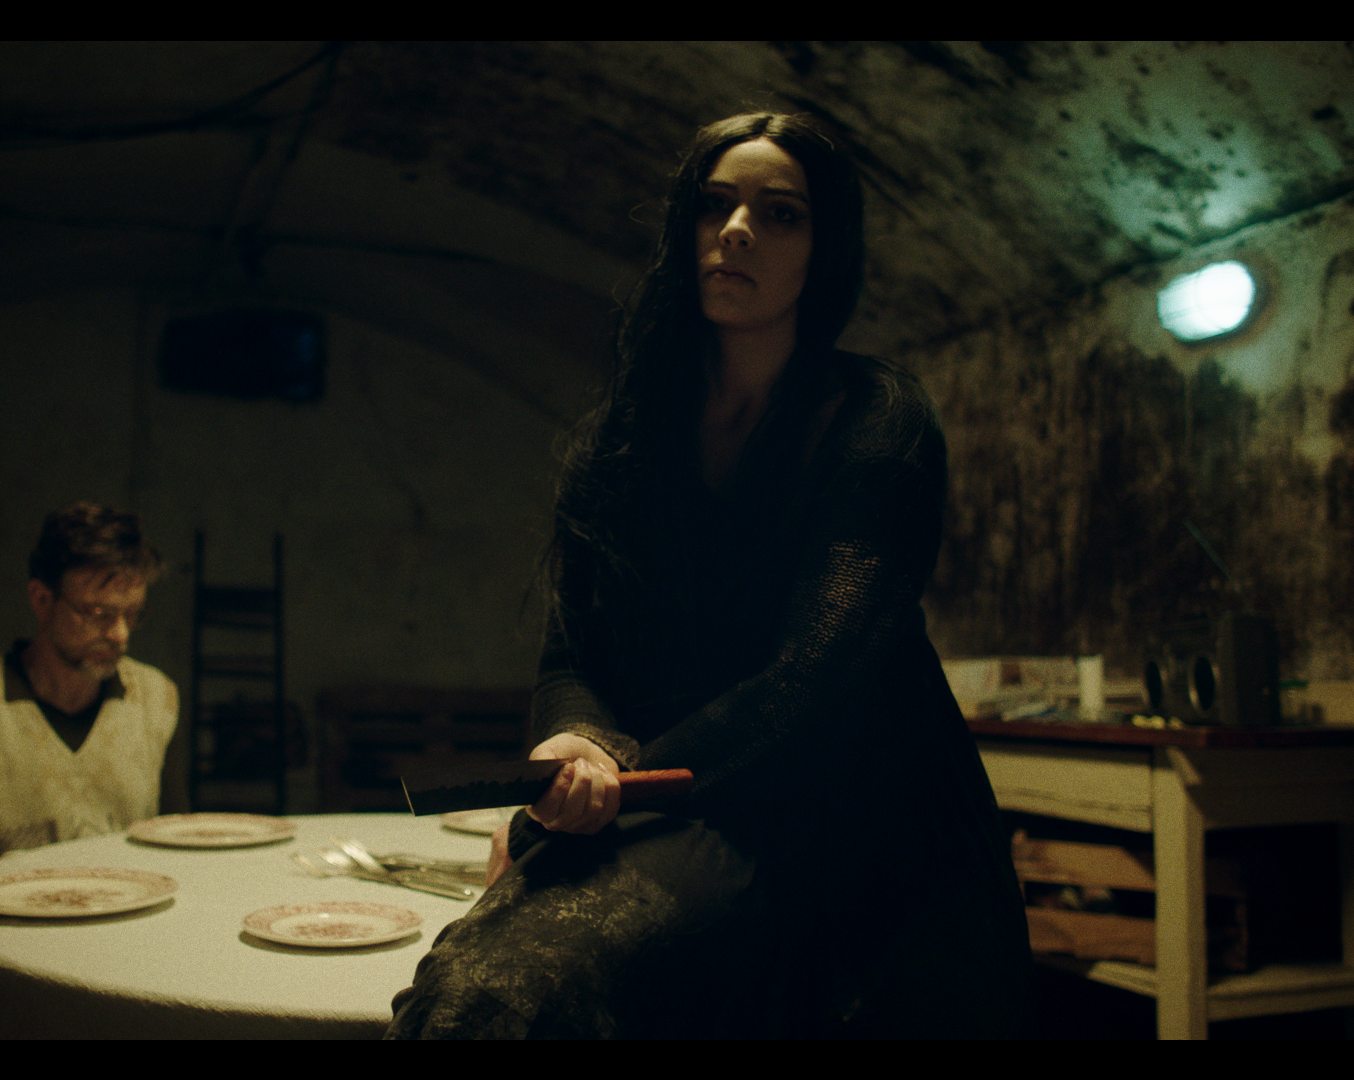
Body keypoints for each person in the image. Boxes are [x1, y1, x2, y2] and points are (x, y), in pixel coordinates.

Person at [384, 113, 1034, 1039]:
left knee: (516, 989)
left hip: (849, 815)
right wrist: (574, 746)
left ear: (825, 249)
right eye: (714, 204)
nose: (736, 230)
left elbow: (811, 680)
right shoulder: (621, 437)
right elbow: (572, 653)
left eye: (780, 214)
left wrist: (610, 787)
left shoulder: (876, 420)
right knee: (472, 991)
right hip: (677, 803)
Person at [0, 502, 185, 1038]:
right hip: (7, 968)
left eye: (133, 614)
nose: (120, 635)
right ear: (41, 599)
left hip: (126, 963)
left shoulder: (155, 699)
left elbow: (175, 853)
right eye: (99, 613)